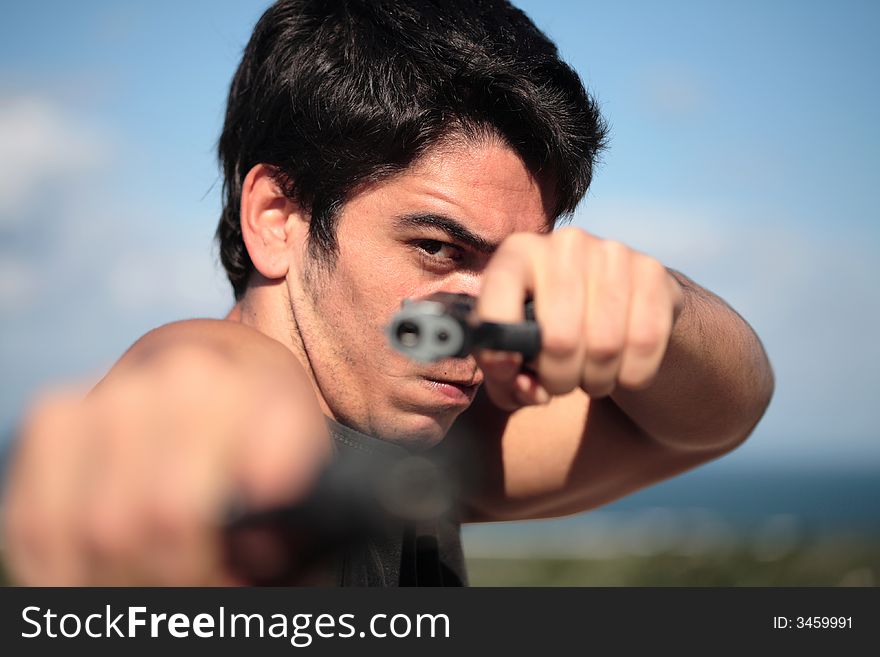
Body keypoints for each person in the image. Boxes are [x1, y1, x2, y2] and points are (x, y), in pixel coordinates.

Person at [0, 0, 774, 586]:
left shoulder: (410, 446)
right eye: (438, 248)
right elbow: (212, 383)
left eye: (515, 271)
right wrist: (187, 393)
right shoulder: (257, 423)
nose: (480, 317)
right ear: (278, 218)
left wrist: (661, 308)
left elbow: (712, 417)